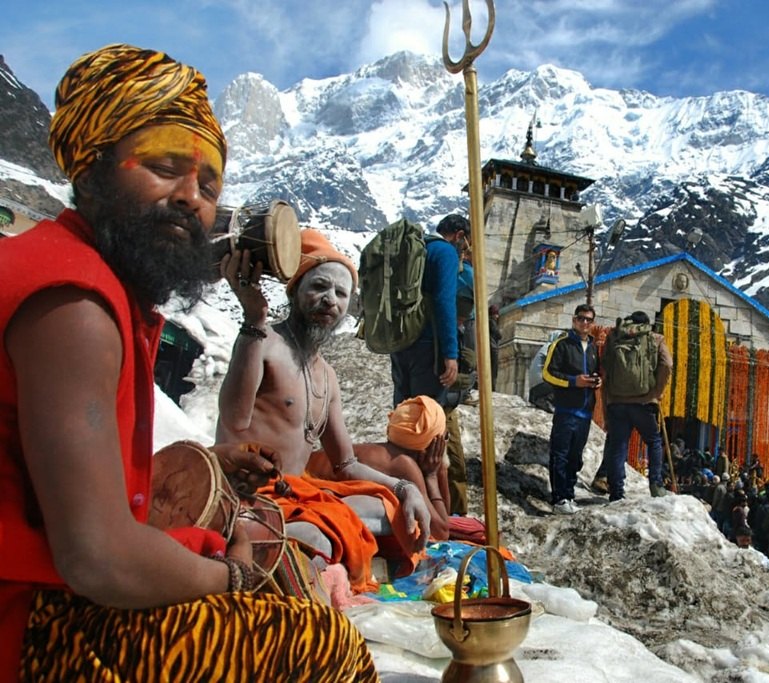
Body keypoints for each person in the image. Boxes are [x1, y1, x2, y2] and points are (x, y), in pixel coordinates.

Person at [0, 44, 376, 680]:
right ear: (89, 169)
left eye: (207, 184)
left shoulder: (95, 284)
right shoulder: (76, 304)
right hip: (33, 622)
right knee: (320, 642)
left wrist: (205, 464)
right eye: (165, 166)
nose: (191, 198)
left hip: (57, 585)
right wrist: (231, 579)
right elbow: (97, 558)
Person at [218, 227, 431, 589]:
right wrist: (253, 320)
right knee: (314, 535)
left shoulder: (327, 376)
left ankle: (326, 559)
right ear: (296, 290)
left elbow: (345, 464)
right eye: (319, 287)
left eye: (341, 293)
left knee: (387, 510)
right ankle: (317, 563)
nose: (329, 299)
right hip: (248, 496)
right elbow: (234, 421)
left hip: (299, 494)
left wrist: (404, 487)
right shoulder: (263, 341)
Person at [389, 214, 470, 514]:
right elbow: (445, 301)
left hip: (400, 345)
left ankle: (401, 493)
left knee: (405, 421)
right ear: (459, 234)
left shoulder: (415, 250)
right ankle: (433, 507)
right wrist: (450, 353)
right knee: (430, 427)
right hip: (428, 348)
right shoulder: (445, 252)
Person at [350, 396, 450, 540]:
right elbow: (441, 532)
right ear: (433, 446)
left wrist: (441, 469)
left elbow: (445, 518)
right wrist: (432, 476)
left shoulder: (382, 451)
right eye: (445, 438)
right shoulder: (403, 464)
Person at [602, 310, 673, 501]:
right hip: (644, 401)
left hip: (617, 401)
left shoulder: (615, 336)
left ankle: (616, 492)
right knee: (654, 442)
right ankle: (656, 485)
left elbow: (605, 370)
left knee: (618, 446)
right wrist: (656, 392)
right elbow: (667, 364)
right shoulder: (655, 338)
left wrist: (607, 403)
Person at [541, 304, 601, 514]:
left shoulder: (593, 348)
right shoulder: (562, 345)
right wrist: (574, 382)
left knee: (576, 456)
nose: (585, 323)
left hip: (585, 412)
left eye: (589, 320)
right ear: (574, 320)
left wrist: (596, 381)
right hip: (566, 410)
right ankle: (559, 499)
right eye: (581, 318)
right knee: (561, 454)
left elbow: (595, 372)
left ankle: (569, 494)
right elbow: (548, 373)